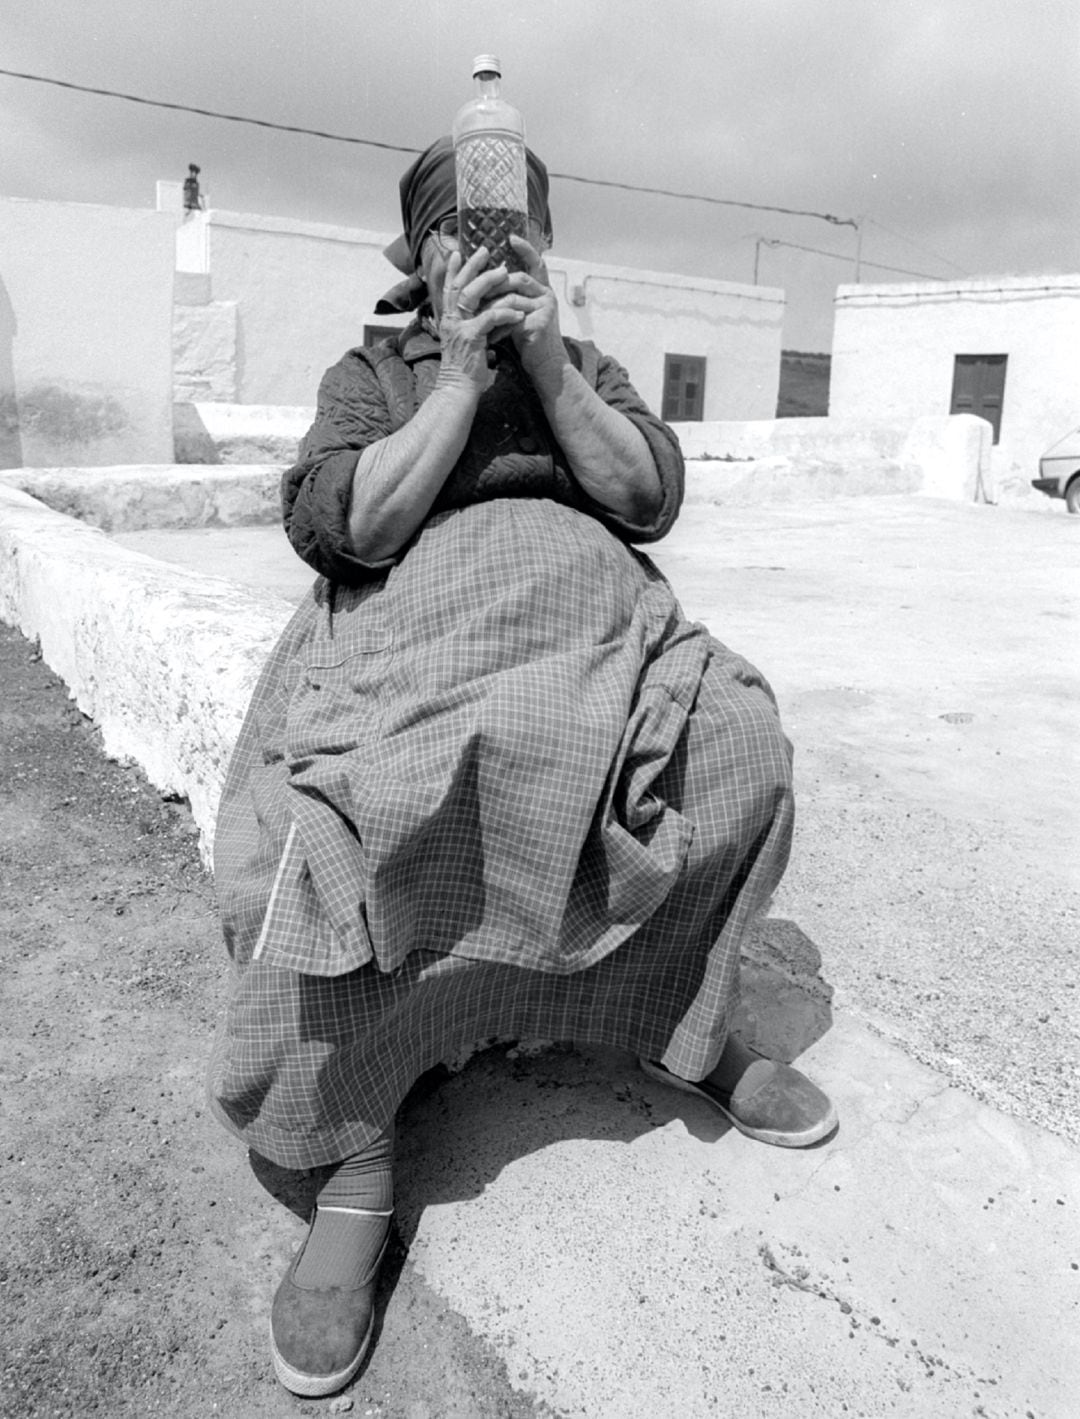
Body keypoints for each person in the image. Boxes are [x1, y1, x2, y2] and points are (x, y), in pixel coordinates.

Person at [207, 135, 837, 1399]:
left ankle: (678, 1022)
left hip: (601, 642)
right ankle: (356, 1151)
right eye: (467, 239)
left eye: (517, 240)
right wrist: (456, 380)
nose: (494, 258)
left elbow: (648, 496)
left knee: (736, 749)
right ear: (422, 255)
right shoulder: (371, 372)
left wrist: (545, 365)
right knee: (324, 829)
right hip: (415, 652)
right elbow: (344, 528)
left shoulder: (587, 368)